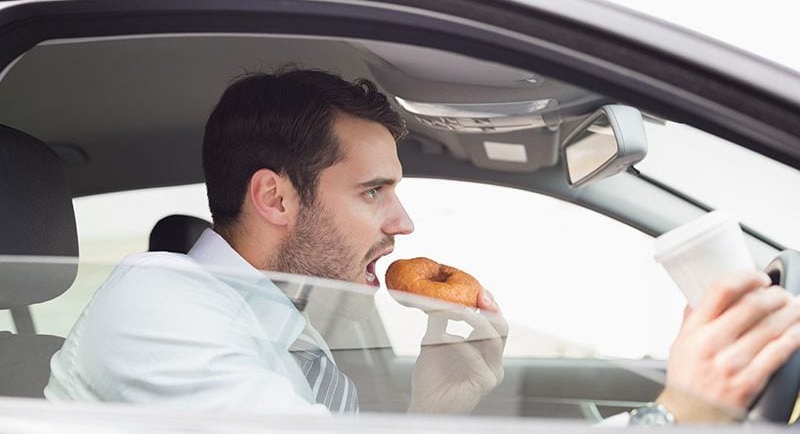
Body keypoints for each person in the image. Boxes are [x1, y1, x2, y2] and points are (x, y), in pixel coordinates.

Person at [45, 69, 800, 424]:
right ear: (275, 198)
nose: (402, 224)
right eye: (373, 191)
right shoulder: (159, 305)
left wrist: (430, 408)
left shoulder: (274, 321)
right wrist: (676, 415)